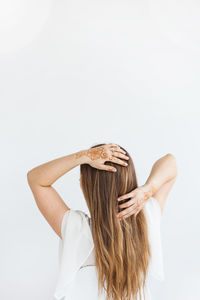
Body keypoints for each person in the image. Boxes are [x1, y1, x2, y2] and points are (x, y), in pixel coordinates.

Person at [27, 143, 177, 300]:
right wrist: (148, 189)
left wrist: (84, 156)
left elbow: (36, 179)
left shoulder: (77, 230)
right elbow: (171, 162)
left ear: (84, 185)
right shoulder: (146, 218)